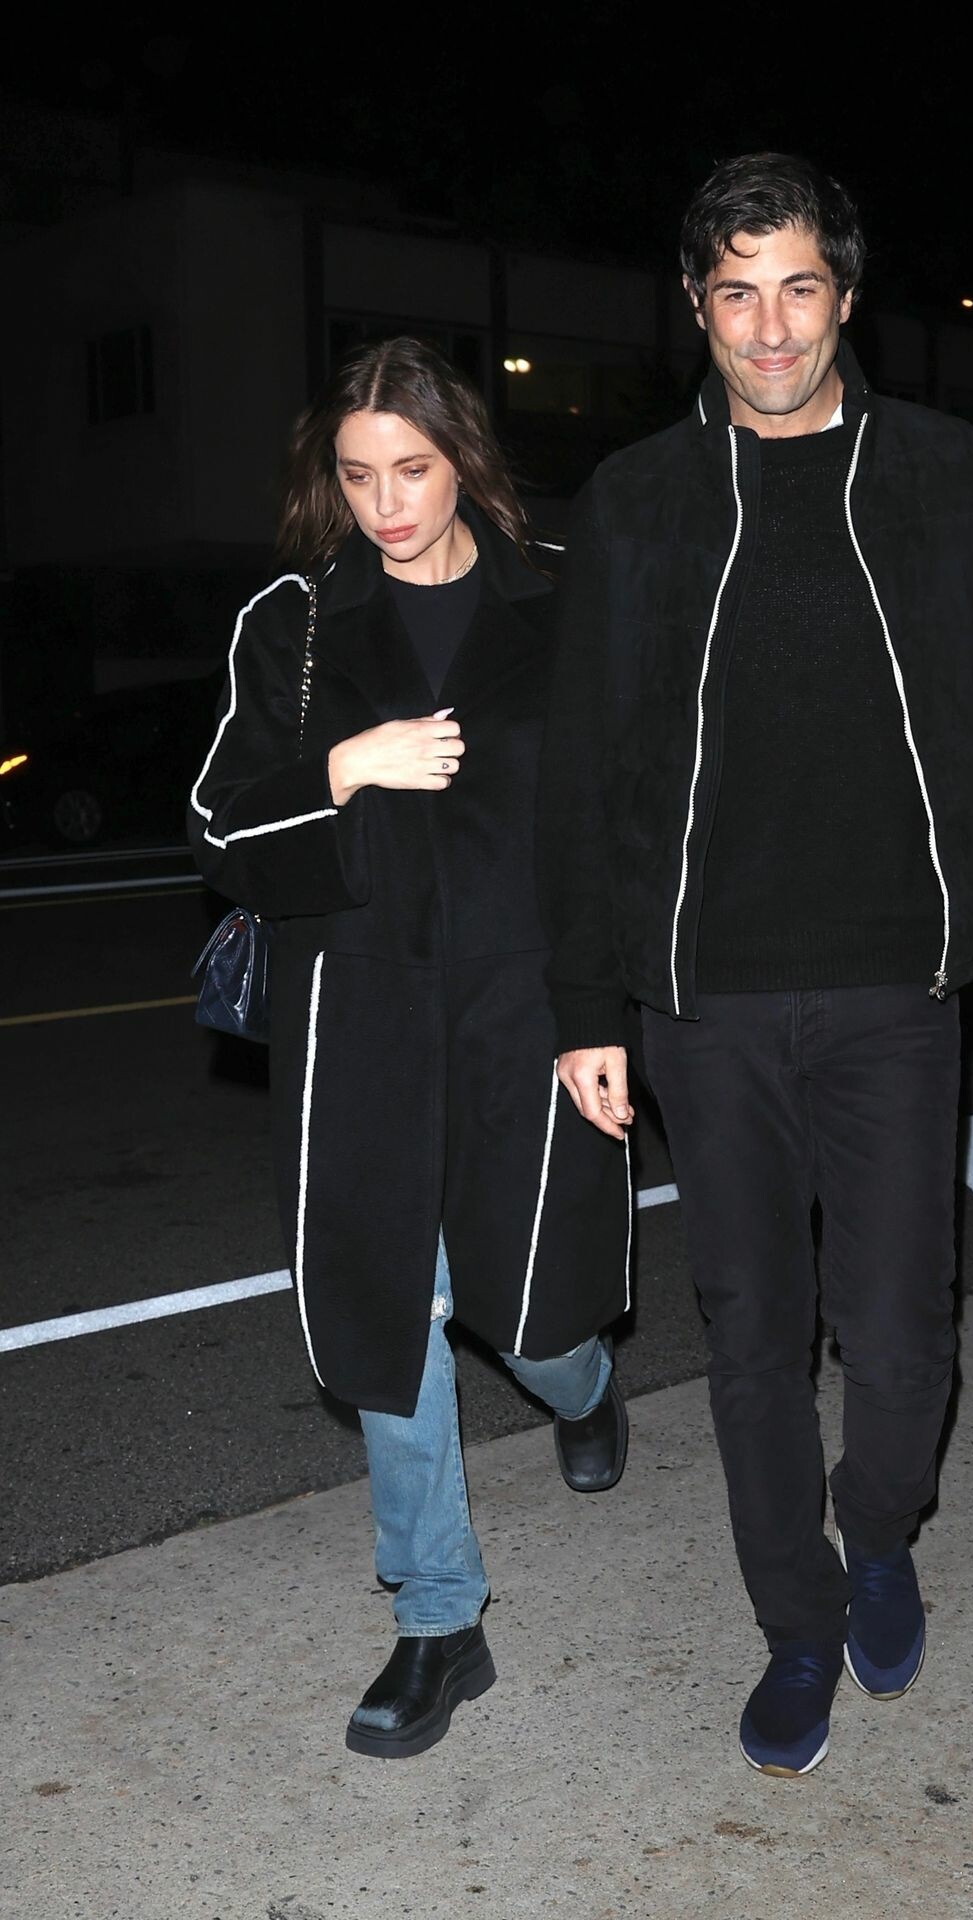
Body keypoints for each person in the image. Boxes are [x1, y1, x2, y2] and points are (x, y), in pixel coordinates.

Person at [538, 154, 973, 1779]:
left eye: (797, 289)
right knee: (753, 1339)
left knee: (903, 1336)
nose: (769, 329)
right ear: (695, 308)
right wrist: (587, 1006)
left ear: (844, 296)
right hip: (702, 1001)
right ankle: (795, 1622)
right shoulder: (636, 497)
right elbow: (584, 771)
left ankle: (882, 1533)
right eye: (736, 293)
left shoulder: (938, 469)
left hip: (892, 982)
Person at [188, 336, 631, 1762]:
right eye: (357, 473)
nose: (385, 503)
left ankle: (586, 1383)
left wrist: (601, 1014)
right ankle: (442, 1615)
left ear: (465, 462)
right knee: (392, 1303)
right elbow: (218, 826)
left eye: (413, 469)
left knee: (529, 1312)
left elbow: (615, 824)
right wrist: (343, 766)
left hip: (521, 1000)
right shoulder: (297, 622)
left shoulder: (561, 599)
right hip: (357, 1006)